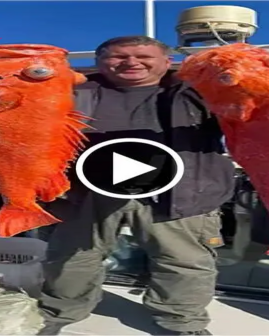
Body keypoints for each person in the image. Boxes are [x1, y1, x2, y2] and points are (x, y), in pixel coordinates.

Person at [36, 36, 237, 336]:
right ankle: (58, 311)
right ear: (99, 62)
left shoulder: (200, 89)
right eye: (118, 57)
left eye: (143, 56)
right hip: (84, 191)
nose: (131, 62)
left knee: (183, 262)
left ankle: (183, 323)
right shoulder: (69, 90)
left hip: (181, 191)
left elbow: (251, 107)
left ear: (167, 62)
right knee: (71, 257)